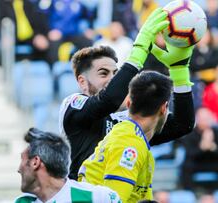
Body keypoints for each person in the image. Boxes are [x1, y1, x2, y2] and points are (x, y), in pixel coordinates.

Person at [59, 8, 195, 180]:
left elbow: (183, 125)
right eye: (103, 73)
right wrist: (138, 51)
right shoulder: (72, 106)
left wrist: (179, 72)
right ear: (82, 82)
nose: (111, 79)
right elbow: (108, 100)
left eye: (115, 74)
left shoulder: (127, 121)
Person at [78, 71, 173, 202]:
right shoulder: (129, 144)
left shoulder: (134, 140)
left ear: (128, 103)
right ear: (164, 108)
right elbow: (114, 200)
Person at [15, 128, 121, 203]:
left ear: (35, 162)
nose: (19, 169)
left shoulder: (99, 198)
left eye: (22, 160)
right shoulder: (23, 201)